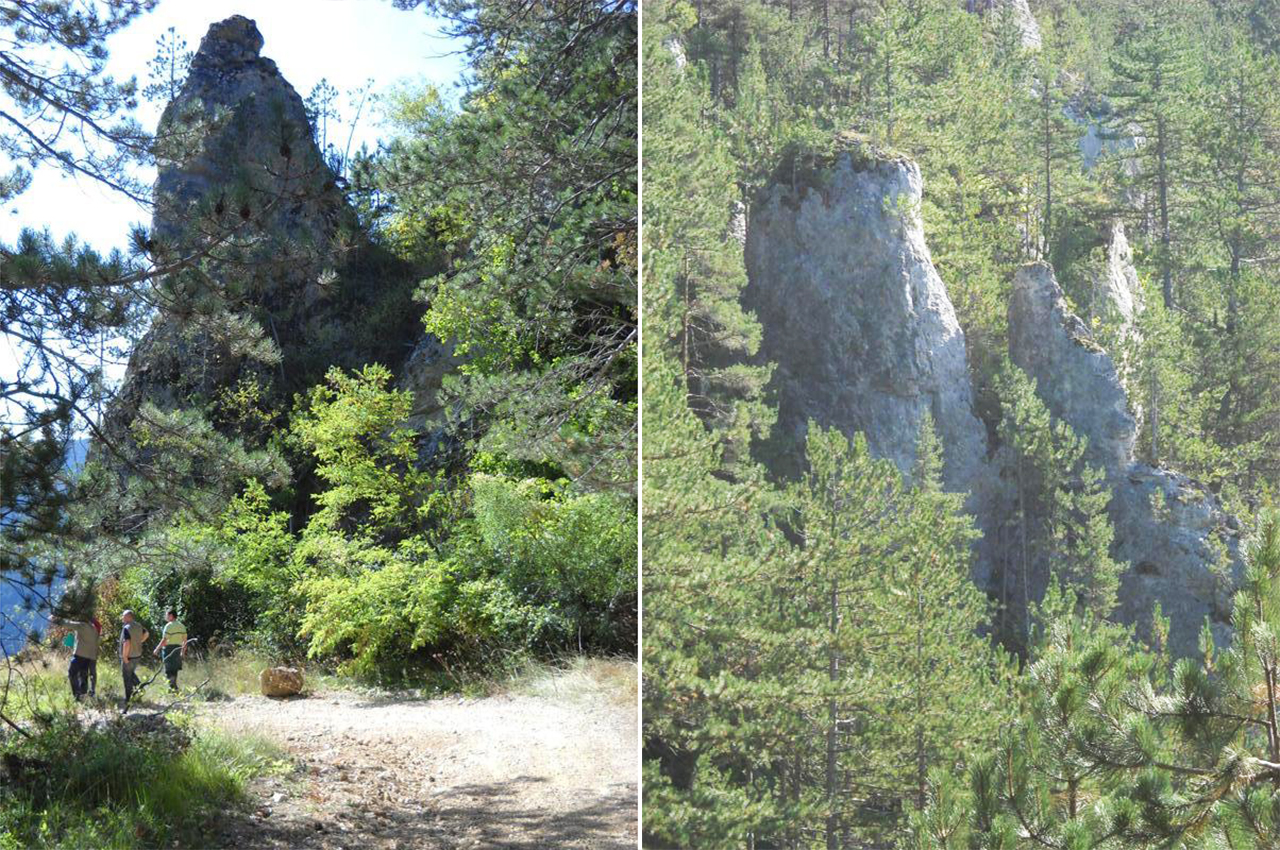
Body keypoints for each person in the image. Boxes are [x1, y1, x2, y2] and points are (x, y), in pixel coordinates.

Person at [52, 615, 99, 701]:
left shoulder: (82, 625)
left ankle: (77, 695)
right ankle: (83, 695)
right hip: (89, 656)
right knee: (83, 675)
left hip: (80, 655)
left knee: (72, 673)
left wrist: (56, 619)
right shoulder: (93, 628)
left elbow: (68, 624)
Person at [154, 609, 188, 693]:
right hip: (178, 649)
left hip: (168, 650)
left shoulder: (168, 626)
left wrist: (157, 649)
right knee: (174, 670)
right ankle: (174, 688)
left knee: (168, 670)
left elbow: (164, 640)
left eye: (167, 615)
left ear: (171, 616)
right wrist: (183, 652)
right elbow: (185, 641)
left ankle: (172, 689)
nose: (166, 616)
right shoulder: (182, 626)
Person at [119, 610, 149, 705]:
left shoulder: (127, 628)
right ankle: (140, 688)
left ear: (128, 617)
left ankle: (129, 699)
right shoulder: (138, 625)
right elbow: (147, 633)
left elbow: (127, 643)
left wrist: (124, 657)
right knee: (131, 673)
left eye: (123, 616)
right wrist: (140, 641)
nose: (122, 618)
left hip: (129, 656)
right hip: (137, 655)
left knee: (126, 677)